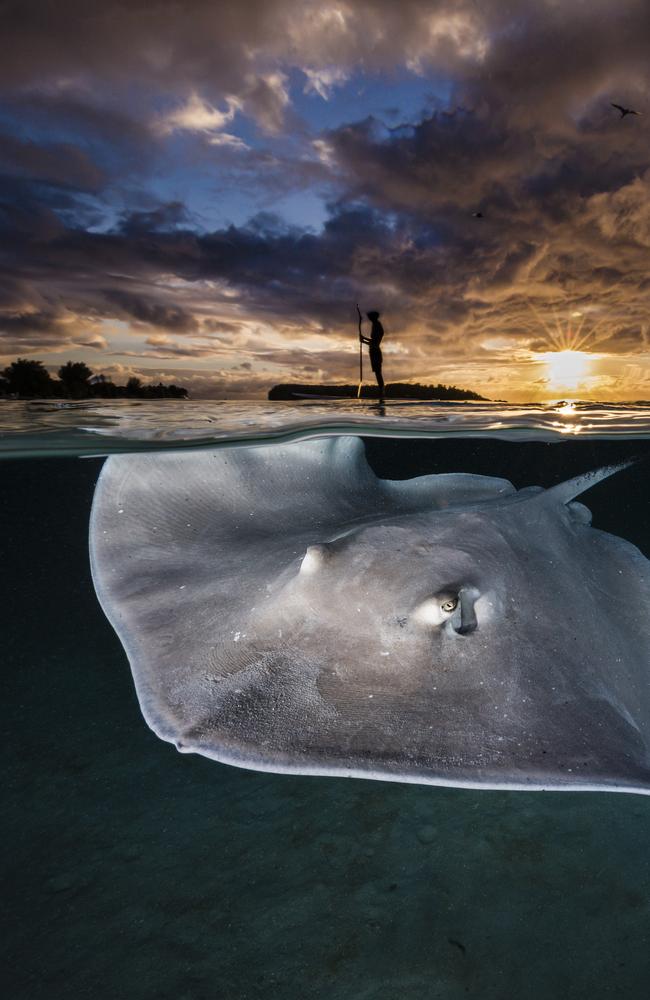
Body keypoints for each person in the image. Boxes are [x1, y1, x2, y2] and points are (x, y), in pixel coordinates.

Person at [359, 310, 385, 402]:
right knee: (377, 372)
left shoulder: (377, 325)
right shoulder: (375, 325)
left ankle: (381, 392)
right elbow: (373, 341)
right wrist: (364, 340)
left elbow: (375, 342)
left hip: (375, 352)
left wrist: (364, 339)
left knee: (378, 372)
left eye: (370, 317)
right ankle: (381, 391)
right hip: (373, 351)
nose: (369, 319)